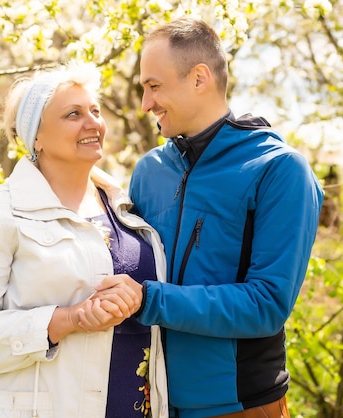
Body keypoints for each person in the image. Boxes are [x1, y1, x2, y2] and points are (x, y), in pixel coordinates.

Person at [94, 17, 324, 418]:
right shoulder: (149, 171)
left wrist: (150, 299)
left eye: (154, 86)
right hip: (155, 401)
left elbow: (267, 304)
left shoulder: (278, 169)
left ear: (199, 78)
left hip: (240, 404)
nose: (146, 104)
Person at [0, 61, 168, 418]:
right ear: (35, 136)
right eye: (73, 114)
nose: (93, 123)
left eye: (95, 111)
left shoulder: (127, 211)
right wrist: (68, 319)